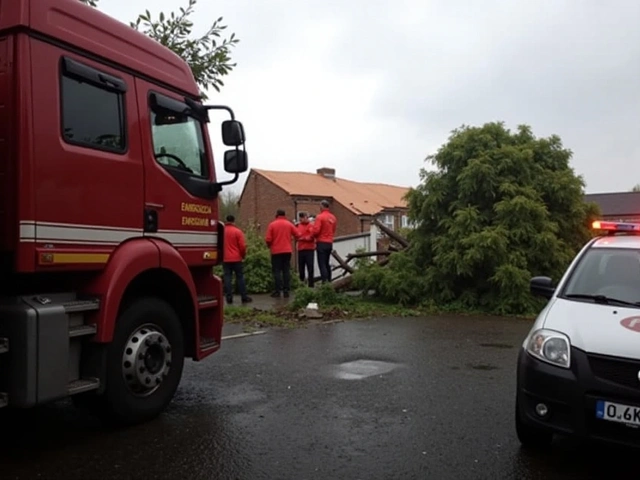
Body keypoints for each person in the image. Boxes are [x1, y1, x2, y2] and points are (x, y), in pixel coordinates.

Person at [265, 209, 300, 297]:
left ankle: (277, 290)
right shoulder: (289, 224)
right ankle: (286, 291)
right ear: (285, 215)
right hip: (287, 250)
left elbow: (268, 239)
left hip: (276, 251)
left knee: (277, 271)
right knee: (286, 270)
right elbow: (298, 234)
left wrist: (270, 245)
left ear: (276, 215)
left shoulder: (272, 225)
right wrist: (290, 239)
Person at [222, 215, 252, 304]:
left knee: (227, 278)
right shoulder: (238, 232)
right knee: (240, 277)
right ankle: (244, 297)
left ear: (226, 220)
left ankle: (229, 298)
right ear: (234, 221)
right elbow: (242, 246)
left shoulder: (222, 232)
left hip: (225, 258)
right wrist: (243, 256)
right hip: (236, 258)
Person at [311, 199, 337, 283]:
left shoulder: (320, 217)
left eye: (320, 206)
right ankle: (329, 281)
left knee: (321, 264)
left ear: (322, 206)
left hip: (321, 242)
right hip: (329, 242)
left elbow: (316, 231)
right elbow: (333, 230)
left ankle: (324, 282)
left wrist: (311, 231)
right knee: (326, 263)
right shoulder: (333, 217)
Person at [296, 212, 316, 287]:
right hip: (301, 249)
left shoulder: (311, 226)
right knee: (301, 268)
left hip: (309, 249)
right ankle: (301, 283)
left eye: (303, 218)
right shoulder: (298, 226)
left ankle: (311, 284)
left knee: (310, 267)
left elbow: (311, 237)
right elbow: (297, 236)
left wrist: (303, 238)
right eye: (300, 218)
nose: (301, 219)